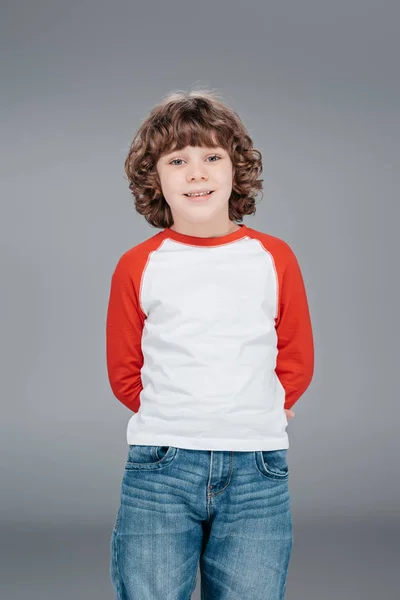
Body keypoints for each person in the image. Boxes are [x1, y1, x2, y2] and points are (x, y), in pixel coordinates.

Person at [106, 89, 314, 600]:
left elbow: (296, 353)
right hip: (160, 470)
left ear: (235, 168)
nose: (196, 173)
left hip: (257, 471)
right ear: (155, 177)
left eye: (212, 157)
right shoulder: (139, 264)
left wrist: (268, 407)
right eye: (178, 160)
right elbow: (125, 368)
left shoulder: (273, 257)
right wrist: (176, 412)